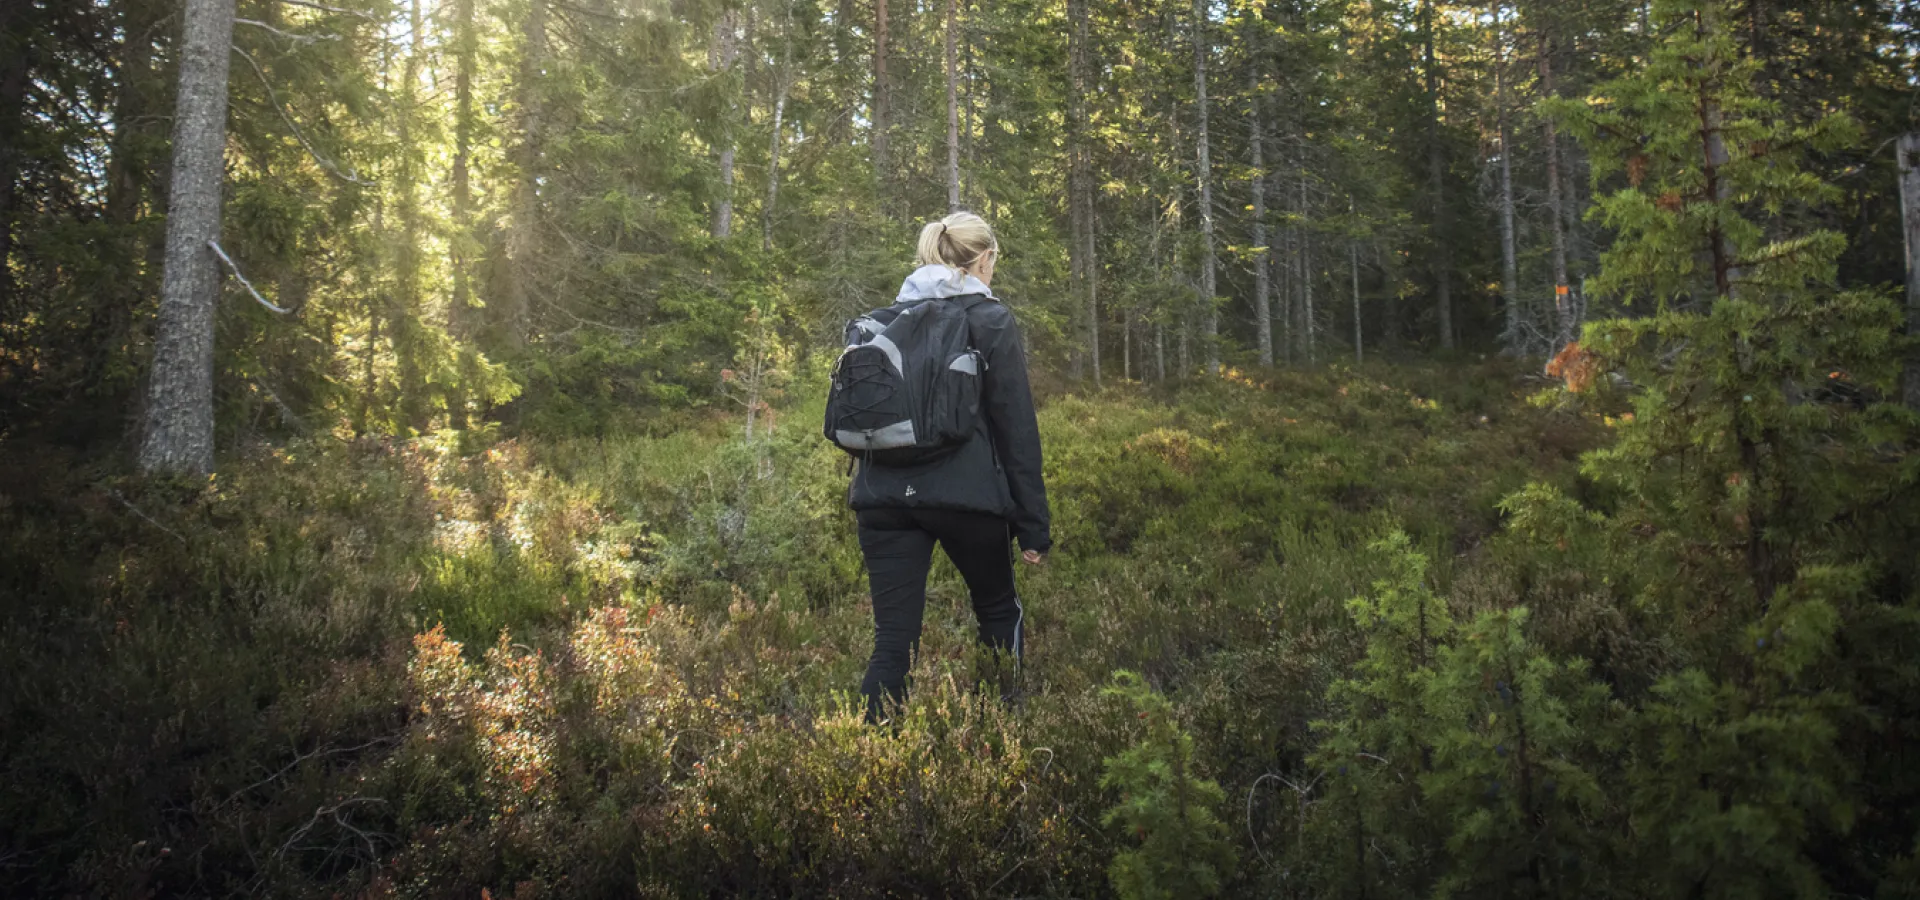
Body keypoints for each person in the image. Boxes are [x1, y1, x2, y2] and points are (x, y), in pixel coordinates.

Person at [848, 211, 1051, 724]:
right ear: (983, 260)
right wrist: (1032, 526)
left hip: (882, 500)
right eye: (994, 262)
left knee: (892, 642)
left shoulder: (882, 319)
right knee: (998, 612)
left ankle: (867, 765)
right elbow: (1016, 428)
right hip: (969, 500)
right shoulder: (991, 319)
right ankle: (997, 740)